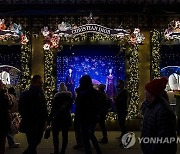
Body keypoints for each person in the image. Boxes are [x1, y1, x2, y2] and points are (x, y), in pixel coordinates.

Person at [141, 77, 177, 154]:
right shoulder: (151, 105)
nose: (145, 92)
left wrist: (152, 150)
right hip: (149, 147)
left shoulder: (163, 110)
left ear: (152, 93)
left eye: (146, 91)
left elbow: (163, 137)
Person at [18, 75, 48, 154]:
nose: (41, 84)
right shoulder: (27, 94)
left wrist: (45, 119)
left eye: (41, 82)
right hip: (31, 122)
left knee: (36, 140)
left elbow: (43, 107)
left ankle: (28, 152)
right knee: (32, 141)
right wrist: (27, 118)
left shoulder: (40, 93)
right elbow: (22, 108)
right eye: (39, 83)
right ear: (33, 83)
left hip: (39, 122)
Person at [75, 75, 102, 154]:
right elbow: (98, 106)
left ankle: (89, 151)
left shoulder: (81, 94)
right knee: (91, 135)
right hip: (93, 117)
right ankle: (98, 151)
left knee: (85, 138)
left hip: (84, 118)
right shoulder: (96, 93)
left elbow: (78, 106)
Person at [48, 82, 73, 154]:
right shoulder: (69, 97)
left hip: (57, 118)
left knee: (55, 136)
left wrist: (49, 119)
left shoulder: (57, 97)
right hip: (66, 118)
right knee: (65, 136)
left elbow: (53, 109)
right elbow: (70, 108)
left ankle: (56, 151)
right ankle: (63, 151)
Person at [0, 81, 12, 154]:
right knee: (1, 141)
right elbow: (9, 105)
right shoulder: (3, 96)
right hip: (2, 121)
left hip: (3, 120)